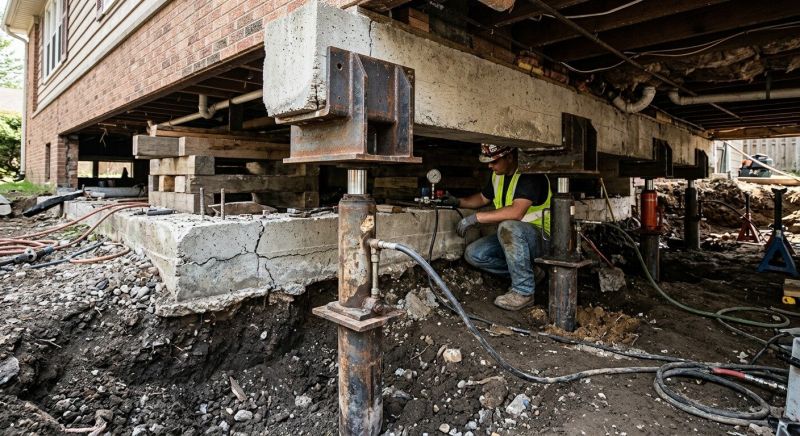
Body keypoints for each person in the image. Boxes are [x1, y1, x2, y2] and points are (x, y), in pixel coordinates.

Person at [441, 144, 551, 311]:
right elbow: (482, 198)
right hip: (514, 238)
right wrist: (458, 201)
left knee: (508, 227)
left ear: (509, 157)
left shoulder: (530, 176)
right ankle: (532, 275)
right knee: (474, 254)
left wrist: (476, 218)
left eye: (494, 161)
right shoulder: (497, 176)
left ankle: (523, 292)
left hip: (541, 239)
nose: (490, 165)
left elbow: (516, 212)